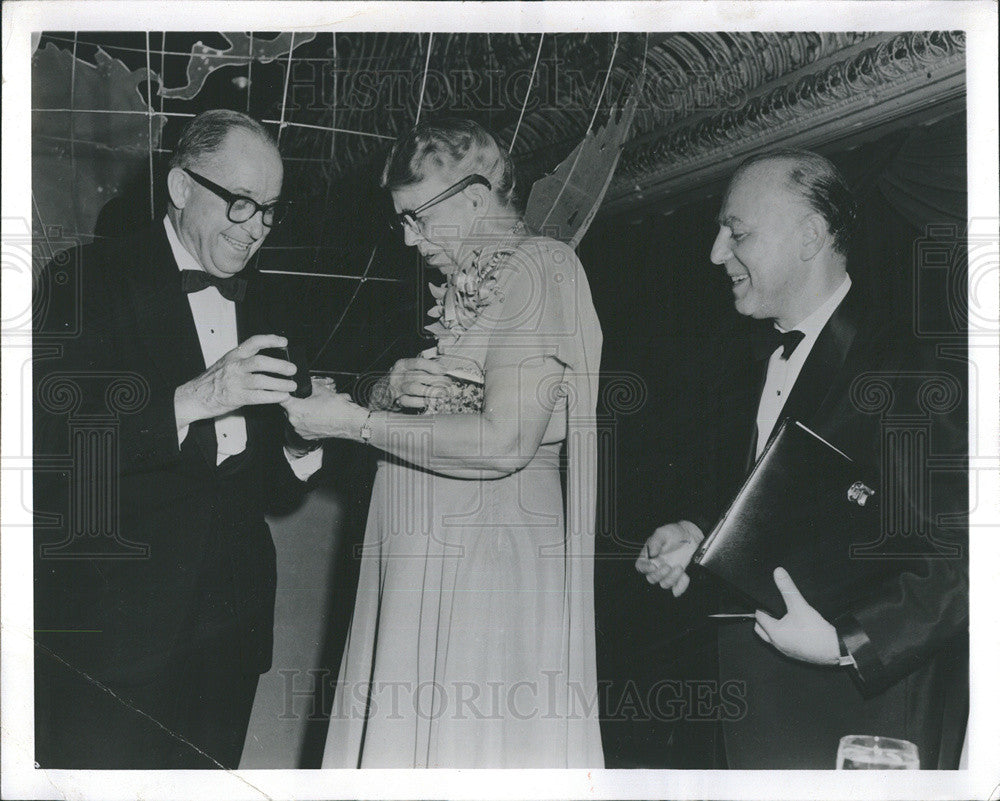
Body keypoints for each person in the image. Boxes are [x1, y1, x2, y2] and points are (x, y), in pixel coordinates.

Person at [283, 118, 605, 768]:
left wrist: (355, 423)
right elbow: (443, 413)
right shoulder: (465, 285)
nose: (408, 238)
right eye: (400, 221)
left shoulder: (541, 267)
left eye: (420, 218)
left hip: (483, 574)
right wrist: (383, 391)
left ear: (478, 198)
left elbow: (506, 440)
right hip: (425, 573)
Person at [635, 150, 968, 769]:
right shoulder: (740, 363)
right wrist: (704, 540)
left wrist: (848, 643)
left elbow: (963, 557)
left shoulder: (909, 363)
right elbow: (794, 516)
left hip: (860, 717)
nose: (715, 253)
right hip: (751, 707)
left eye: (737, 232)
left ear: (811, 236)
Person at [33, 109, 322, 769]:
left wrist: (305, 440)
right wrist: (198, 396)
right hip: (112, 637)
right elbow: (51, 441)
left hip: (228, 636)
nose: (255, 230)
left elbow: (260, 488)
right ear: (182, 186)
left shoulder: (270, 303)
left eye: (270, 210)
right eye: (241, 203)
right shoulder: (86, 279)